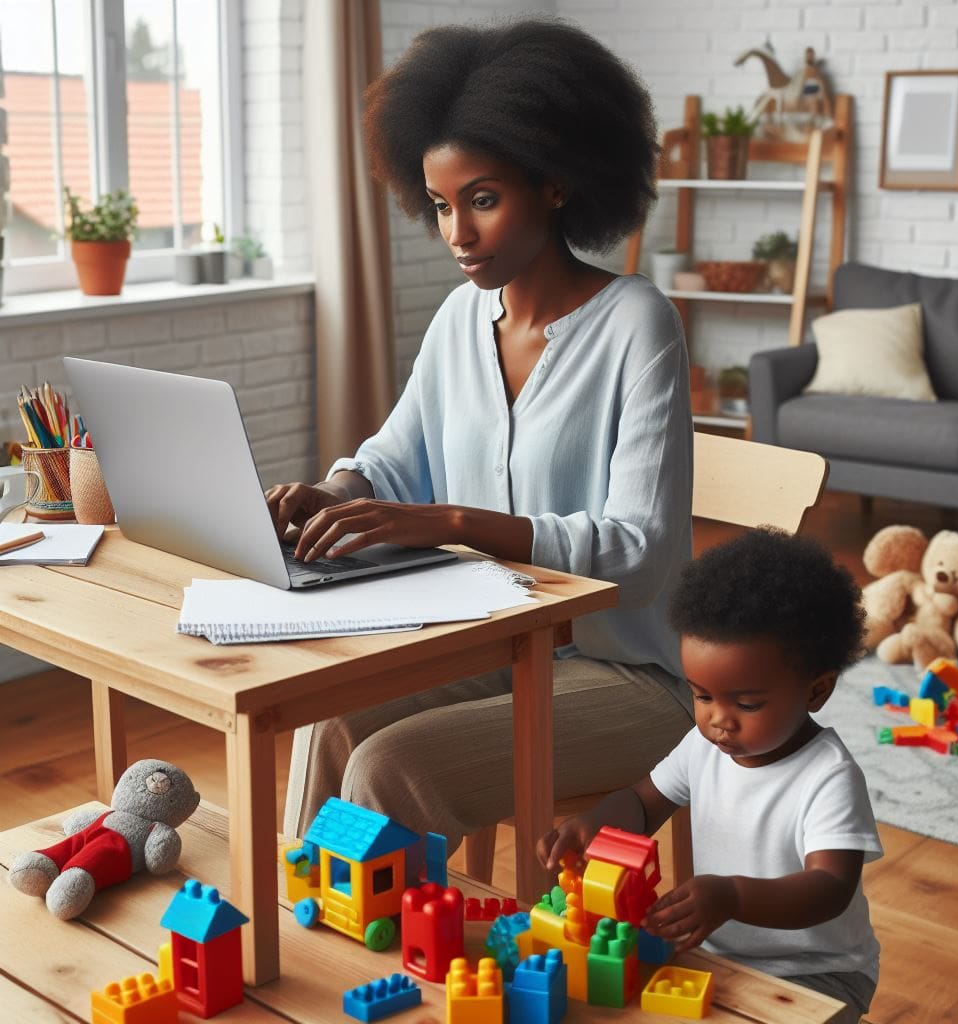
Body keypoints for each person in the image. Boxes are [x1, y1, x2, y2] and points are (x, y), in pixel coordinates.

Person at [269, 17, 694, 848]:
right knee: (329, 725)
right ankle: (300, 947)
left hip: (631, 677)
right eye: (439, 206)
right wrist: (336, 494)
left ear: (558, 183)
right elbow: (393, 462)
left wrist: (454, 522)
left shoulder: (639, 324)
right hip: (500, 647)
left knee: (394, 767)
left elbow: (639, 553)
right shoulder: (462, 318)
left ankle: (397, 969)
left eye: (483, 199)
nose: (456, 233)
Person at [538, 528, 881, 1024]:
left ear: (815, 692)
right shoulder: (705, 746)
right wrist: (594, 823)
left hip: (818, 971)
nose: (719, 719)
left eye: (746, 703)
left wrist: (733, 895)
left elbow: (830, 886)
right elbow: (643, 800)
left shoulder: (827, 776)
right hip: (715, 949)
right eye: (702, 695)